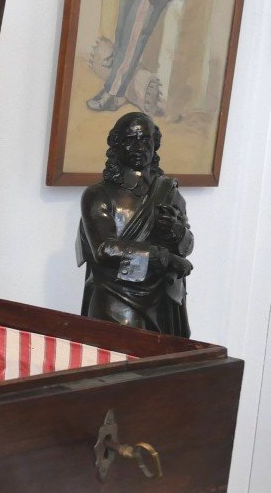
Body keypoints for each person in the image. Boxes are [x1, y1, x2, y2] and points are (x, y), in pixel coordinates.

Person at [77, 112, 193, 337]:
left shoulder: (168, 191)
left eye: (145, 140)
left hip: (164, 301)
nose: (139, 147)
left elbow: (186, 246)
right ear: (117, 145)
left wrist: (176, 231)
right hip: (118, 301)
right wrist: (164, 257)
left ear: (154, 144)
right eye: (131, 140)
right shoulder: (98, 195)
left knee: (163, 369)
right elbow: (105, 249)